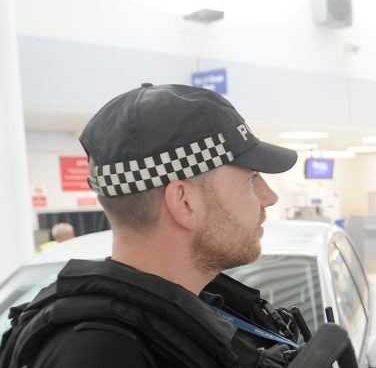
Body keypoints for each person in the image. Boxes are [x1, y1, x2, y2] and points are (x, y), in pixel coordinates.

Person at [1, 84, 299, 368]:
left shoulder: (189, 320)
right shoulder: (101, 353)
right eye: (250, 178)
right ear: (184, 203)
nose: (269, 197)